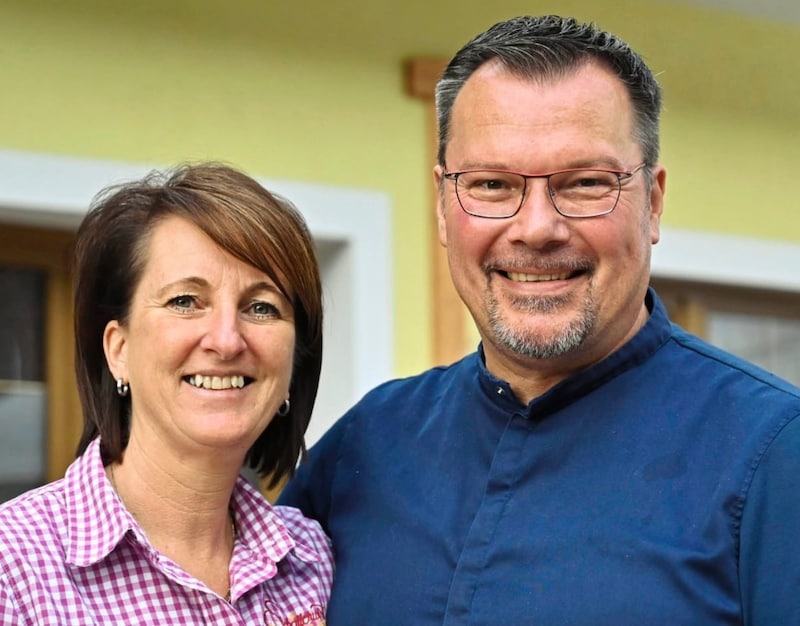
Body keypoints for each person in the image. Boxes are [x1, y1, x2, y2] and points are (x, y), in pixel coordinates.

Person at [278, 14, 800, 625]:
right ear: (444, 209)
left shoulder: (774, 455)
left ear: (652, 204)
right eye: (493, 185)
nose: (536, 229)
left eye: (584, 183)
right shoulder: (367, 445)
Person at [0, 163, 332, 624]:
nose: (226, 340)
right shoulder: (14, 568)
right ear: (118, 349)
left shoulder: (313, 562)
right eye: (185, 301)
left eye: (261, 307)